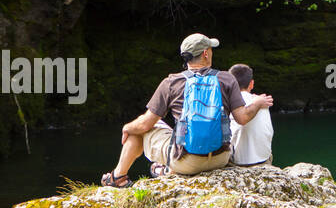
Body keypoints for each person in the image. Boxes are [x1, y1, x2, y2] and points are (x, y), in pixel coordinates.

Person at [100, 33, 273, 186]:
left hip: (187, 161)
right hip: (221, 159)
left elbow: (145, 125)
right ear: (206, 53)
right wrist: (257, 103)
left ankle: (118, 177)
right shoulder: (227, 79)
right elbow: (242, 118)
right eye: (211, 49)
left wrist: (127, 127)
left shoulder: (171, 82)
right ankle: (164, 170)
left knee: (139, 128)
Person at [227, 62, 274, 167]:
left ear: (230, 84)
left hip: (236, 161)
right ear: (251, 84)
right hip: (263, 160)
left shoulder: (228, 103)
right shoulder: (262, 101)